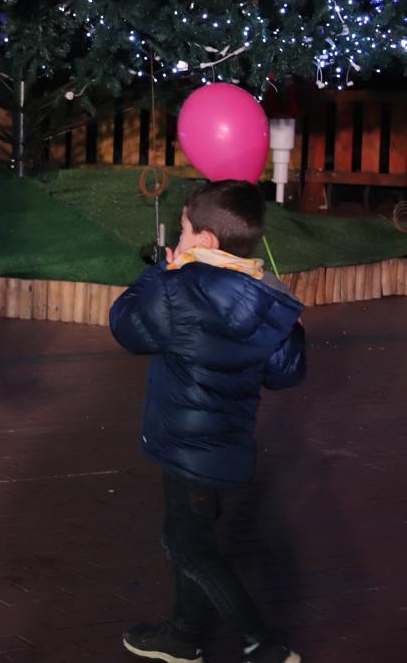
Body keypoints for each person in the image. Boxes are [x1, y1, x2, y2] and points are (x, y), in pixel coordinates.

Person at [109, 180, 305, 663]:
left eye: (184, 230)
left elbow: (126, 327)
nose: (179, 237)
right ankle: (183, 634)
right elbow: (284, 374)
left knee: (188, 547)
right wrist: (296, 334)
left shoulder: (178, 287)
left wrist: (160, 272)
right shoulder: (268, 293)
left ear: (207, 241)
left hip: (183, 444)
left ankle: (263, 645)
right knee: (191, 535)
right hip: (226, 442)